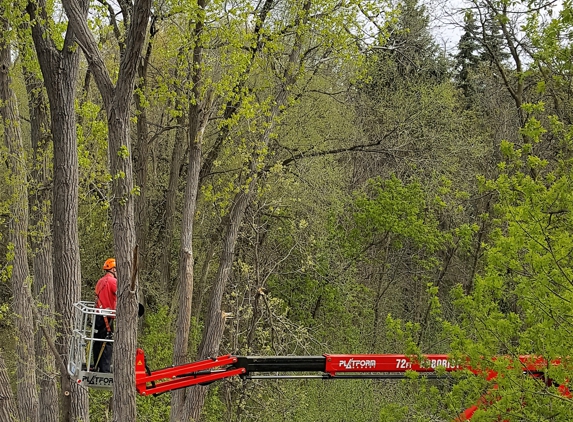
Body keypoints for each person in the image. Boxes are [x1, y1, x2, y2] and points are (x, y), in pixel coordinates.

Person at [92, 258, 117, 373]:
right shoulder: (113, 282)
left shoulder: (100, 281)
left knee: (97, 342)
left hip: (98, 315)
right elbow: (121, 294)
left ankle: (97, 365)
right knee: (107, 343)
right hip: (107, 316)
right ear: (113, 269)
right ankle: (105, 369)